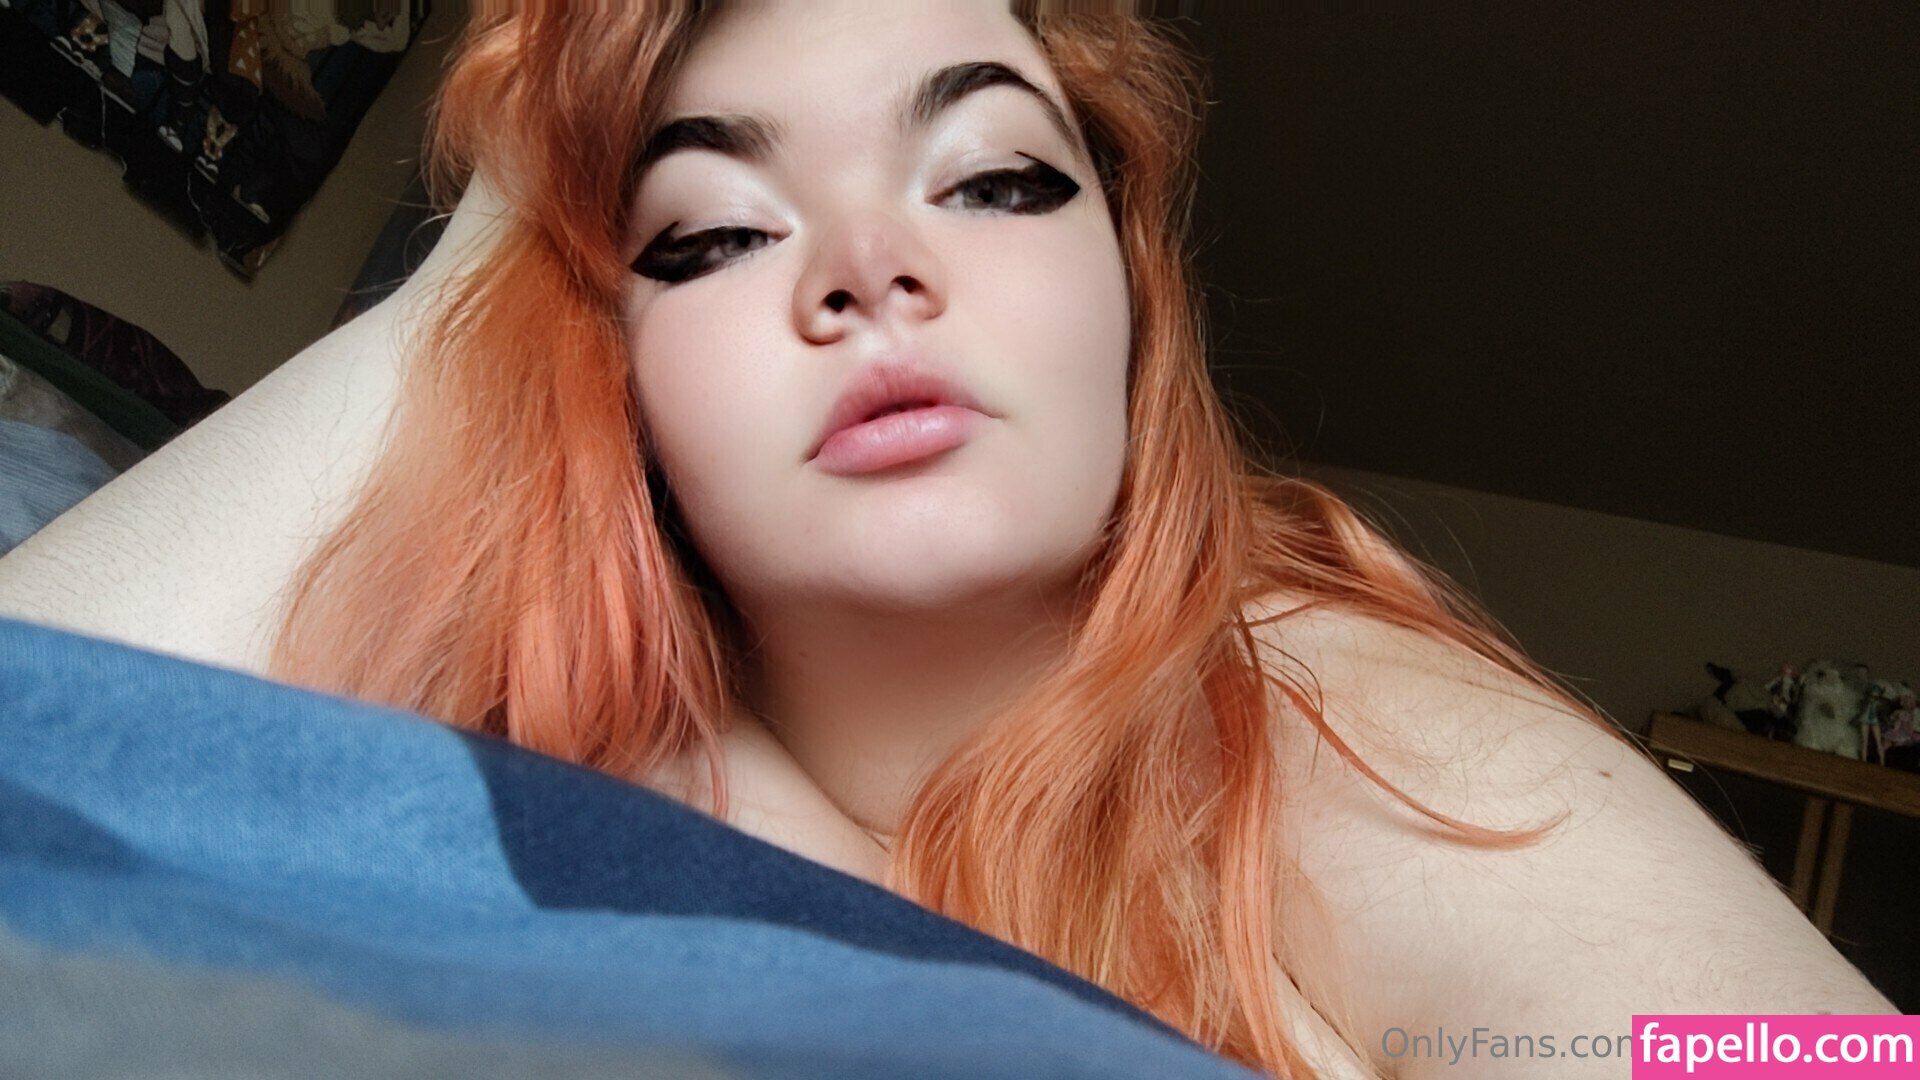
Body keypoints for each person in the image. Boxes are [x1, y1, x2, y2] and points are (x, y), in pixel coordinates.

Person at [0, 2, 1895, 1077]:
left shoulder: (1310, 699)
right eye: (709, 230)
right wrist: (495, 237)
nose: (867, 267)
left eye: (992, 178)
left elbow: (1792, 1060)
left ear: (1132, 297)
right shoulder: (553, 759)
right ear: (610, 366)